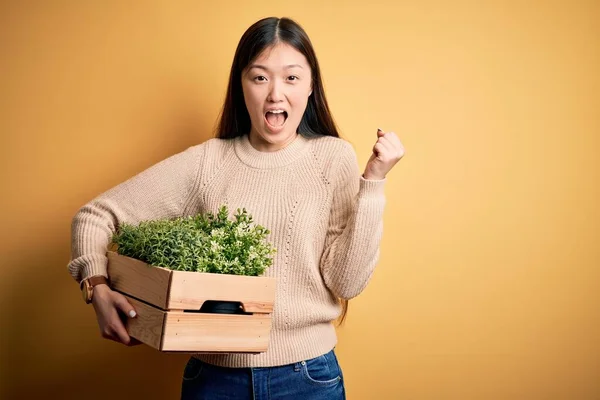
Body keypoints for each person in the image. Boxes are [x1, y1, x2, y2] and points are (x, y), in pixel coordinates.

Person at [68, 16, 404, 400]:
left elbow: (348, 283)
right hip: (214, 381)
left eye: (291, 78)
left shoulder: (332, 157)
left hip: (308, 379)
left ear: (311, 86)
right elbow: (94, 216)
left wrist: (373, 182)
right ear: (241, 86)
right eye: (260, 77)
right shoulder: (207, 162)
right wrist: (95, 285)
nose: (275, 93)